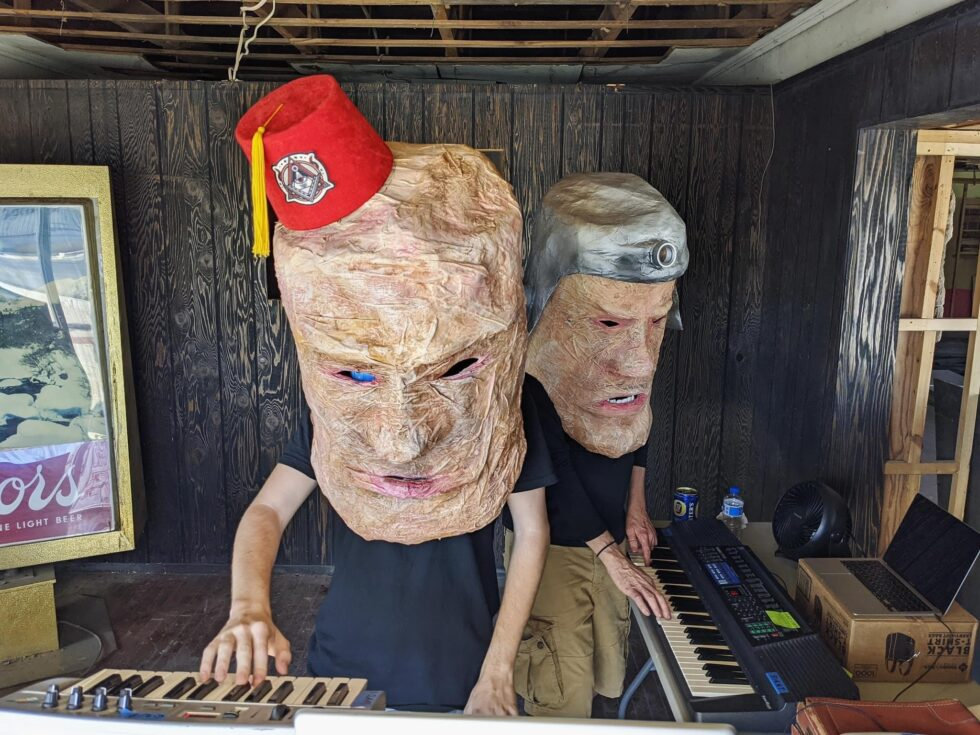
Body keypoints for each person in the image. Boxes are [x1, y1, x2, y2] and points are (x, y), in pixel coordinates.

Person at [198, 75, 554, 713]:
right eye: (356, 374)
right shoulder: (332, 415)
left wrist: (498, 669)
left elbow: (532, 532)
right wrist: (248, 605)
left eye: (452, 370)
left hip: (463, 673)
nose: (401, 440)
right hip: (342, 671)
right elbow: (268, 510)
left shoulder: (509, 401)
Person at [505, 172, 690, 717]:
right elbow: (550, 479)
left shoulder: (635, 362)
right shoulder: (526, 381)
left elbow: (638, 420)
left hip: (614, 542)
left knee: (609, 679)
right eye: (609, 322)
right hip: (557, 549)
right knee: (561, 690)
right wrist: (610, 556)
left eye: (655, 321)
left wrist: (636, 504)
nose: (640, 360)